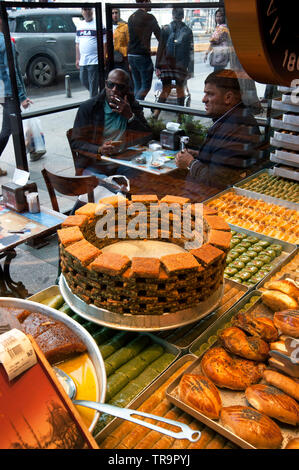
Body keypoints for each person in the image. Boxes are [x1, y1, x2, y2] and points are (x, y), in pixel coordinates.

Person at [175, 69, 262, 186]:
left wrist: (190, 162)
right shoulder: (231, 118)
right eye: (205, 93)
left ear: (228, 98)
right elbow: (222, 158)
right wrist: (199, 155)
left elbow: (218, 180)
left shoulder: (237, 127)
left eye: (210, 94)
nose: (203, 99)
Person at [71, 68, 151, 177]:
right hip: (94, 164)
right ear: (105, 84)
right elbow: (76, 142)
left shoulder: (131, 106)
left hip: (124, 163)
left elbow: (147, 136)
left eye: (120, 87)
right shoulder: (90, 108)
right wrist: (99, 149)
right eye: (110, 84)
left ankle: (119, 190)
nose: (114, 89)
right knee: (108, 187)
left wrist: (130, 116)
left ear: (127, 89)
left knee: (145, 181)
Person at [0, 14, 32, 173]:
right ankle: (22, 167)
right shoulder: (5, 42)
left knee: (9, 127)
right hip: (8, 91)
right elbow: (12, 72)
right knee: (11, 129)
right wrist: (22, 96)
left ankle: (24, 162)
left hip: (1, 91)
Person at [153, 7, 194, 119]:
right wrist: (190, 70)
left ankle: (156, 113)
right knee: (180, 89)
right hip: (181, 65)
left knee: (166, 88)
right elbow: (190, 51)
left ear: (172, 15)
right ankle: (180, 116)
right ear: (183, 16)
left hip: (166, 63)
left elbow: (160, 47)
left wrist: (157, 66)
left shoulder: (166, 29)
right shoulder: (188, 31)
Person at [127, 0, 160, 100]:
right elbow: (160, 36)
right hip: (142, 56)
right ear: (145, 1)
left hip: (131, 55)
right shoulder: (149, 17)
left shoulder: (131, 17)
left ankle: (135, 110)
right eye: (150, 0)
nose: (151, 3)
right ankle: (135, 108)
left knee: (137, 86)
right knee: (145, 87)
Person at [76, 7, 101, 98]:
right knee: (83, 80)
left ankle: (93, 105)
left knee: (93, 85)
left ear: (92, 11)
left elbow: (104, 42)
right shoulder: (80, 25)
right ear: (82, 12)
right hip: (83, 60)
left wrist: (103, 58)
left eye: (89, 10)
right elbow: (77, 43)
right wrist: (77, 58)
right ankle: (98, 97)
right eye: (85, 10)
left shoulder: (98, 24)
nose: (87, 12)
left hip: (94, 60)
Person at [204, 8, 230, 72]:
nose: (218, 18)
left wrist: (207, 53)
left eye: (220, 16)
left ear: (224, 17)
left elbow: (213, 41)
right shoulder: (224, 27)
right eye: (217, 16)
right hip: (223, 54)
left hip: (219, 55)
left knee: (217, 74)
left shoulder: (221, 28)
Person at [112, 8, 130, 74]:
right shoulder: (107, 26)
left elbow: (129, 42)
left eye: (116, 13)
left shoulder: (125, 26)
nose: (114, 15)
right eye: (112, 13)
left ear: (119, 14)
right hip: (110, 57)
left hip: (122, 57)